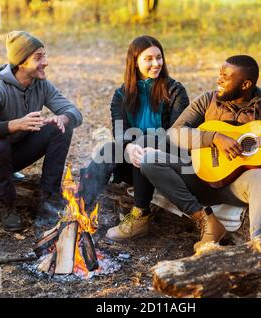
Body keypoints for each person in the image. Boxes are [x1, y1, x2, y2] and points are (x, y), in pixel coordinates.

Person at [140, 55, 261, 251]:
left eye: (225, 76)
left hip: (235, 188)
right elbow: (175, 133)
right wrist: (213, 137)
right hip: (198, 176)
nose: (218, 80)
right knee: (150, 159)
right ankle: (206, 221)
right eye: (220, 74)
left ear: (245, 84)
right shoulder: (207, 100)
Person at [0, 31, 82, 232]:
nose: (45, 62)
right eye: (38, 57)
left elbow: (75, 113)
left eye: (44, 55)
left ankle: (48, 202)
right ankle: (8, 208)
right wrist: (15, 124)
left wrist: (62, 118)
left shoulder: (41, 84)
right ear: (21, 62)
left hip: (13, 155)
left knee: (60, 128)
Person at [78, 35, 189, 241]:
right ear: (135, 62)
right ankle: (78, 210)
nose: (156, 63)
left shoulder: (175, 91)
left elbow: (178, 135)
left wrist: (141, 145)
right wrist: (127, 147)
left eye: (159, 57)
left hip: (166, 163)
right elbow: (120, 132)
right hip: (135, 162)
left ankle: (140, 216)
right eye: (148, 59)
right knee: (110, 149)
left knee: (143, 141)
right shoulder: (121, 95)